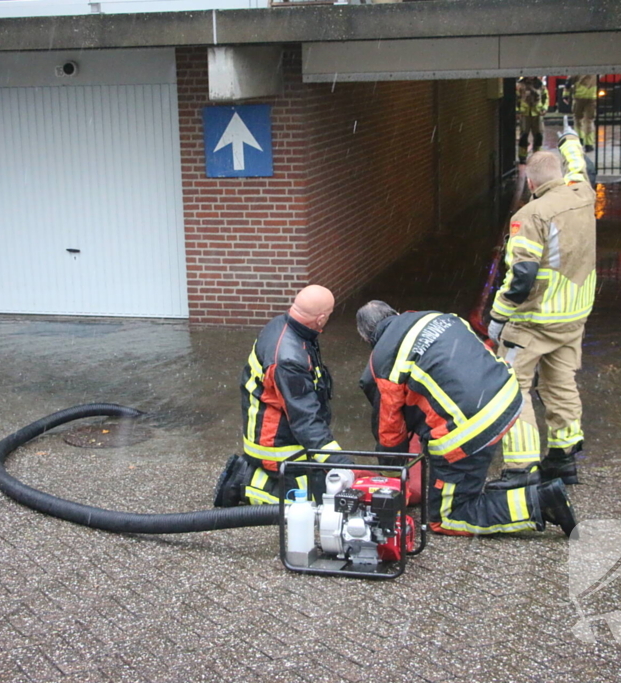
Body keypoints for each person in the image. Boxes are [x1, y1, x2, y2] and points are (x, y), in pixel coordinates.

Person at [356, 300, 577, 537]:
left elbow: (390, 432)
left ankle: (541, 503)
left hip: (470, 427)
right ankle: (470, 483)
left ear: (366, 337)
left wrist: (393, 480)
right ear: (395, 312)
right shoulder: (436, 316)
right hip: (507, 396)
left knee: (447, 517)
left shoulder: (382, 362)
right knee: (462, 465)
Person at [485, 124, 596, 492]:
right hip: (573, 318)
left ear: (531, 183)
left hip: (534, 321)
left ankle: (521, 468)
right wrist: (569, 139)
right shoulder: (582, 193)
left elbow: (522, 276)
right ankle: (563, 459)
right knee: (561, 383)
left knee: (512, 387)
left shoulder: (532, 214)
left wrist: (498, 317)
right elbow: (578, 164)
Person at [214, 285, 352, 507]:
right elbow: (304, 417)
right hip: (275, 444)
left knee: (327, 482)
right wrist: (340, 461)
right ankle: (244, 481)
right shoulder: (288, 358)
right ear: (320, 318)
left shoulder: (285, 326)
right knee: (315, 503)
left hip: (281, 430)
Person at [518, 76, 549, 164]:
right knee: (524, 135)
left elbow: (545, 97)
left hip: (537, 113)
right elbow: (516, 98)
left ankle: (537, 155)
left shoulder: (540, 84)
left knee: (538, 135)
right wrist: (517, 110)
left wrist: (544, 108)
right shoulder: (520, 85)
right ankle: (522, 156)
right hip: (525, 114)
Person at [564, 74, 598, 152]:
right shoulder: (596, 70)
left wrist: (565, 95)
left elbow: (569, 82)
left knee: (578, 119)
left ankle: (580, 139)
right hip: (592, 97)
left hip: (578, 97)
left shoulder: (578, 69)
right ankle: (589, 144)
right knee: (589, 121)